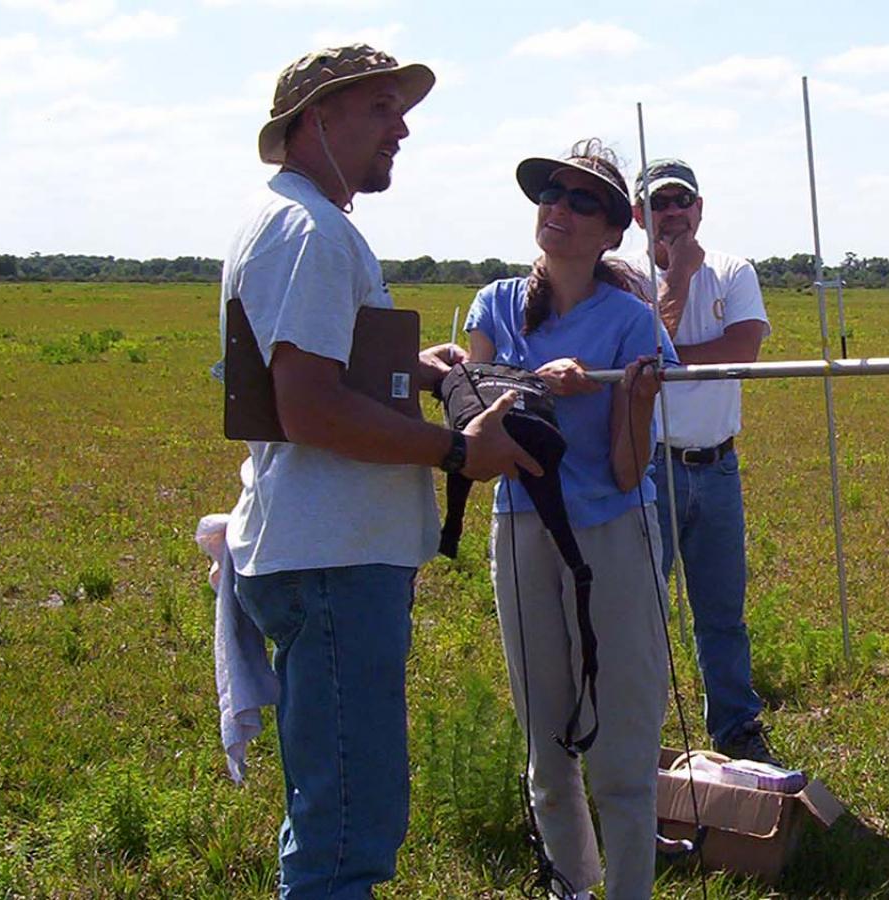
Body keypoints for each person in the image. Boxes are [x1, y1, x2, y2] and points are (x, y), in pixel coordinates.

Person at [222, 44, 537, 898]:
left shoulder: (299, 221)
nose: (401, 128)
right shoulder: (311, 233)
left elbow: (323, 377)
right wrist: (457, 449)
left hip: (331, 553)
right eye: (380, 110)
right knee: (347, 833)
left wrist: (423, 373)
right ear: (316, 120)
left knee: (338, 810)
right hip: (333, 562)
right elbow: (311, 409)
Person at [465, 139, 675, 900]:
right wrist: (519, 382)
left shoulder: (633, 323)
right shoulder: (494, 303)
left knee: (621, 745)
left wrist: (630, 399)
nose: (559, 209)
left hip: (613, 532)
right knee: (546, 742)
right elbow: (470, 392)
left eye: (582, 201)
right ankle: (569, 887)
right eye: (551, 194)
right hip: (521, 528)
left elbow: (626, 472)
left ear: (613, 230)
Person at [628, 158, 779, 766]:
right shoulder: (627, 279)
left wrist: (670, 361)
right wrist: (679, 281)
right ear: (639, 215)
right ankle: (637, 733)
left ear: (699, 209)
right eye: (658, 204)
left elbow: (743, 349)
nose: (671, 214)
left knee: (722, 612)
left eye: (680, 202)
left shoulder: (735, 270)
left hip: (717, 469)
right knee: (642, 610)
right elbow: (641, 349)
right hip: (651, 467)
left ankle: (737, 730)